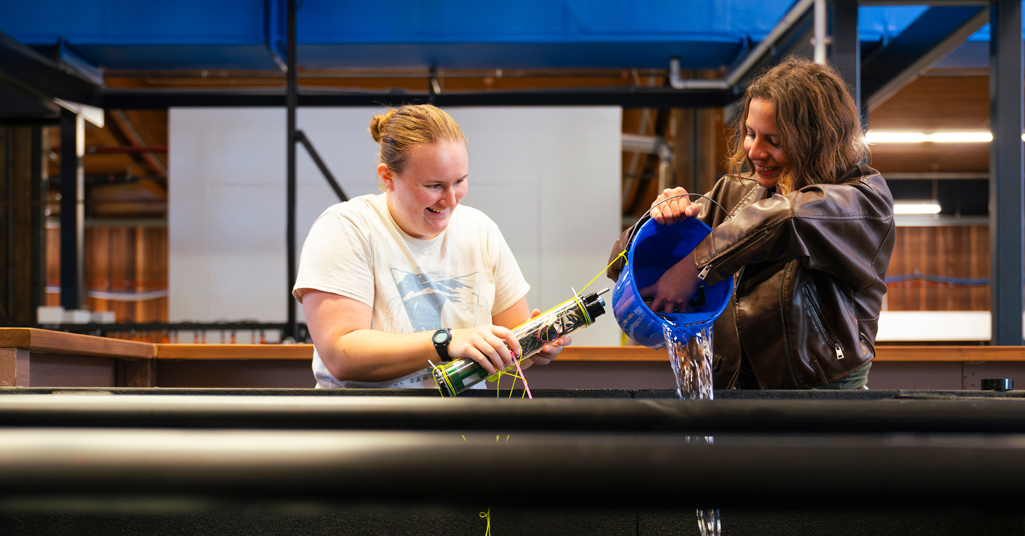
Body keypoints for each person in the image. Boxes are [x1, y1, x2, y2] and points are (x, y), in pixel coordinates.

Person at [608, 57, 893, 390]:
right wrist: (657, 221)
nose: (754, 151)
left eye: (775, 140)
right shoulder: (733, 193)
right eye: (750, 134)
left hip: (822, 398)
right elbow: (619, 267)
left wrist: (693, 267)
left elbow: (787, 217)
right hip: (733, 392)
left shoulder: (863, 201)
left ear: (817, 139)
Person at [294, 104, 568, 389]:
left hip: (460, 427)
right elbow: (341, 355)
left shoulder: (480, 230)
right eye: (434, 186)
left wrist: (533, 344)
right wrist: (447, 341)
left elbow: (507, 352)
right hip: (366, 424)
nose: (451, 199)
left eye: (459, 181)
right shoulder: (346, 228)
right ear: (388, 177)